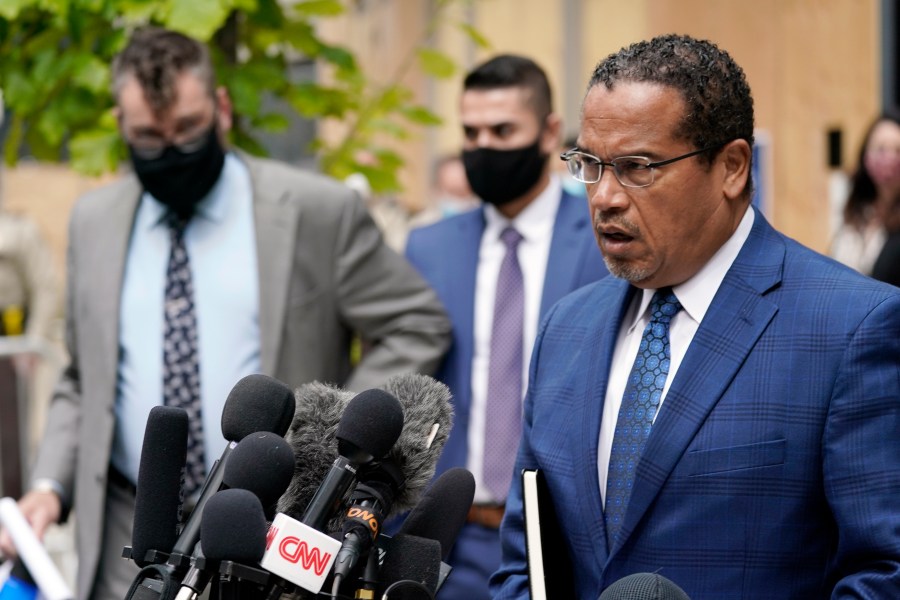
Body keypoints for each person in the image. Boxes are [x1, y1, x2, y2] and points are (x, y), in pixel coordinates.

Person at [0, 27, 451, 600]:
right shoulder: (93, 220)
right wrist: (47, 485)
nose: (171, 150)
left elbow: (415, 321)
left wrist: (338, 428)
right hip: (127, 530)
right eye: (148, 137)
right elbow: (81, 377)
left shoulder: (316, 212)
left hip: (269, 529)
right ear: (120, 124)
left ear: (222, 109)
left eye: (187, 130)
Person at [491, 34, 900, 599]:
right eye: (588, 164)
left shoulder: (853, 328)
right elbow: (525, 567)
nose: (604, 196)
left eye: (636, 167)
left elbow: (884, 574)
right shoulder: (566, 329)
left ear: (731, 166)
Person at [403, 54, 609, 599]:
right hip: (446, 531)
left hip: (560, 533)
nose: (484, 146)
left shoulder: (601, 241)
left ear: (547, 132)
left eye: (502, 130)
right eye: (470, 132)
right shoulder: (428, 247)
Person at [0, 204, 59, 499]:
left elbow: (45, 287)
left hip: (11, 352)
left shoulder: (18, 231)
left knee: (12, 444)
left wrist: (33, 343)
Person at [829, 109, 900, 274]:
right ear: (866, 155)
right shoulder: (857, 210)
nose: (888, 158)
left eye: (897, 150)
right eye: (881, 149)